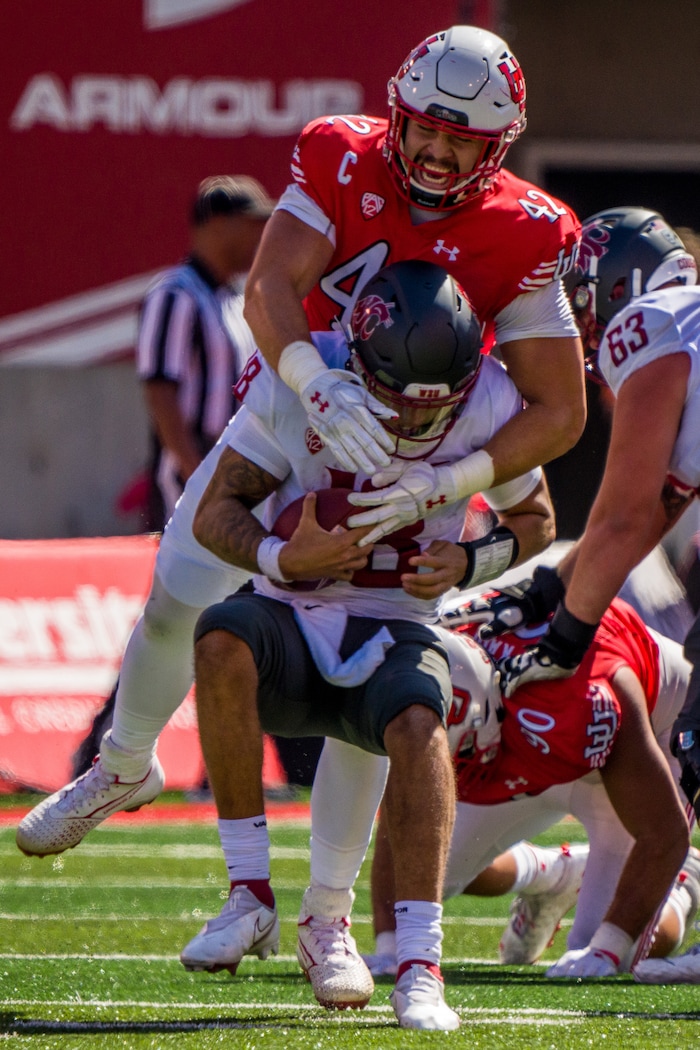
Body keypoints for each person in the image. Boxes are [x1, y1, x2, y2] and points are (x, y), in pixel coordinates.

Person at [17, 18, 583, 1014]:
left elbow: (561, 411)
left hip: (426, 431)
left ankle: (323, 915)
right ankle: (123, 761)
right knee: (179, 592)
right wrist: (313, 386)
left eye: (465, 141)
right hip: (305, 393)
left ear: (496, 150)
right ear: (400, 114)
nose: (440, 154)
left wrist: (441, 495)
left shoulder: (528, 229)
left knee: (380, 671)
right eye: (428, 130)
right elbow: (272, 287)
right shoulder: (339, 151)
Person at [178, 259, 556, 1030]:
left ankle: (419, 964)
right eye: (399, 403)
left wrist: (472, 559)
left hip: (399, 623)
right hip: (293, 609)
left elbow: (537, 519)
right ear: (357, 365)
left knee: (421, 723)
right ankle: (249, 894)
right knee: (220, 637)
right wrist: (287, 559)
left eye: (436, 408)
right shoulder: (303, 381)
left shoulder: (488, 397)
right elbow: (215, 511)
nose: (418, 426)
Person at [67, 174, 276, 785]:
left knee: (226, 614)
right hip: (199, 475)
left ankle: (210, 764)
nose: (259, 235)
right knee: (184, 612)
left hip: (239, 479)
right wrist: (192, 471)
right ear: (215, 222)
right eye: (249, 222)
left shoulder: (237, 300)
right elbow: (160, 389)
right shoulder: (175, 294)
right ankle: (107, 754)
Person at [363, 593, 691, 980]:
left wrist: (608, 947)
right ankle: (553, 873)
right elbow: (405, 811)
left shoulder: (580, 695)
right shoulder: (435, 650)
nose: (450, 766)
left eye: (458, 751)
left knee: (605, 943)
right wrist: (390, 944)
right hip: (527, 739)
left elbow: (664, 834)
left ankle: (687, 886)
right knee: (425, 869)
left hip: (640, 742)